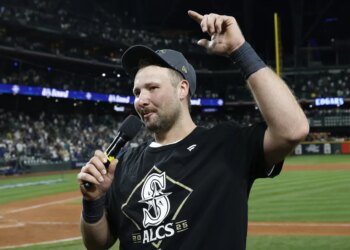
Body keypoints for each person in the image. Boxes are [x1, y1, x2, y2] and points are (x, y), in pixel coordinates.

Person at [77, 10, 309, 250]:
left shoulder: (226, 144)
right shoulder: (122, 163)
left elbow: (293, 130)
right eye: (137, 92)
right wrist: (92, 201)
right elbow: (99, 244)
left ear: (182, 89)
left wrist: (239, 48)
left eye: (152, 87)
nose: (141, 100)